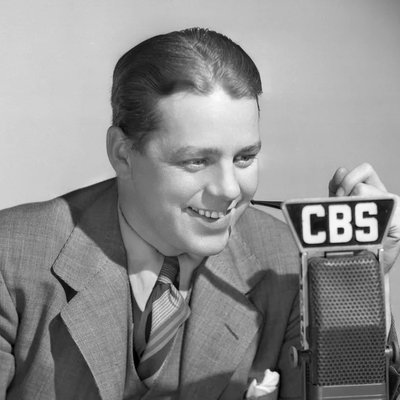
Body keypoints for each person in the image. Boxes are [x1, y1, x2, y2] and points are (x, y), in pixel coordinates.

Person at [0, 27, 399, 400]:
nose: (230, 190)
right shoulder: (11, 259)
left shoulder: (290, 265)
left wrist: (357, 280)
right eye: (196, 161)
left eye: (245, 157)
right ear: (122, 154)